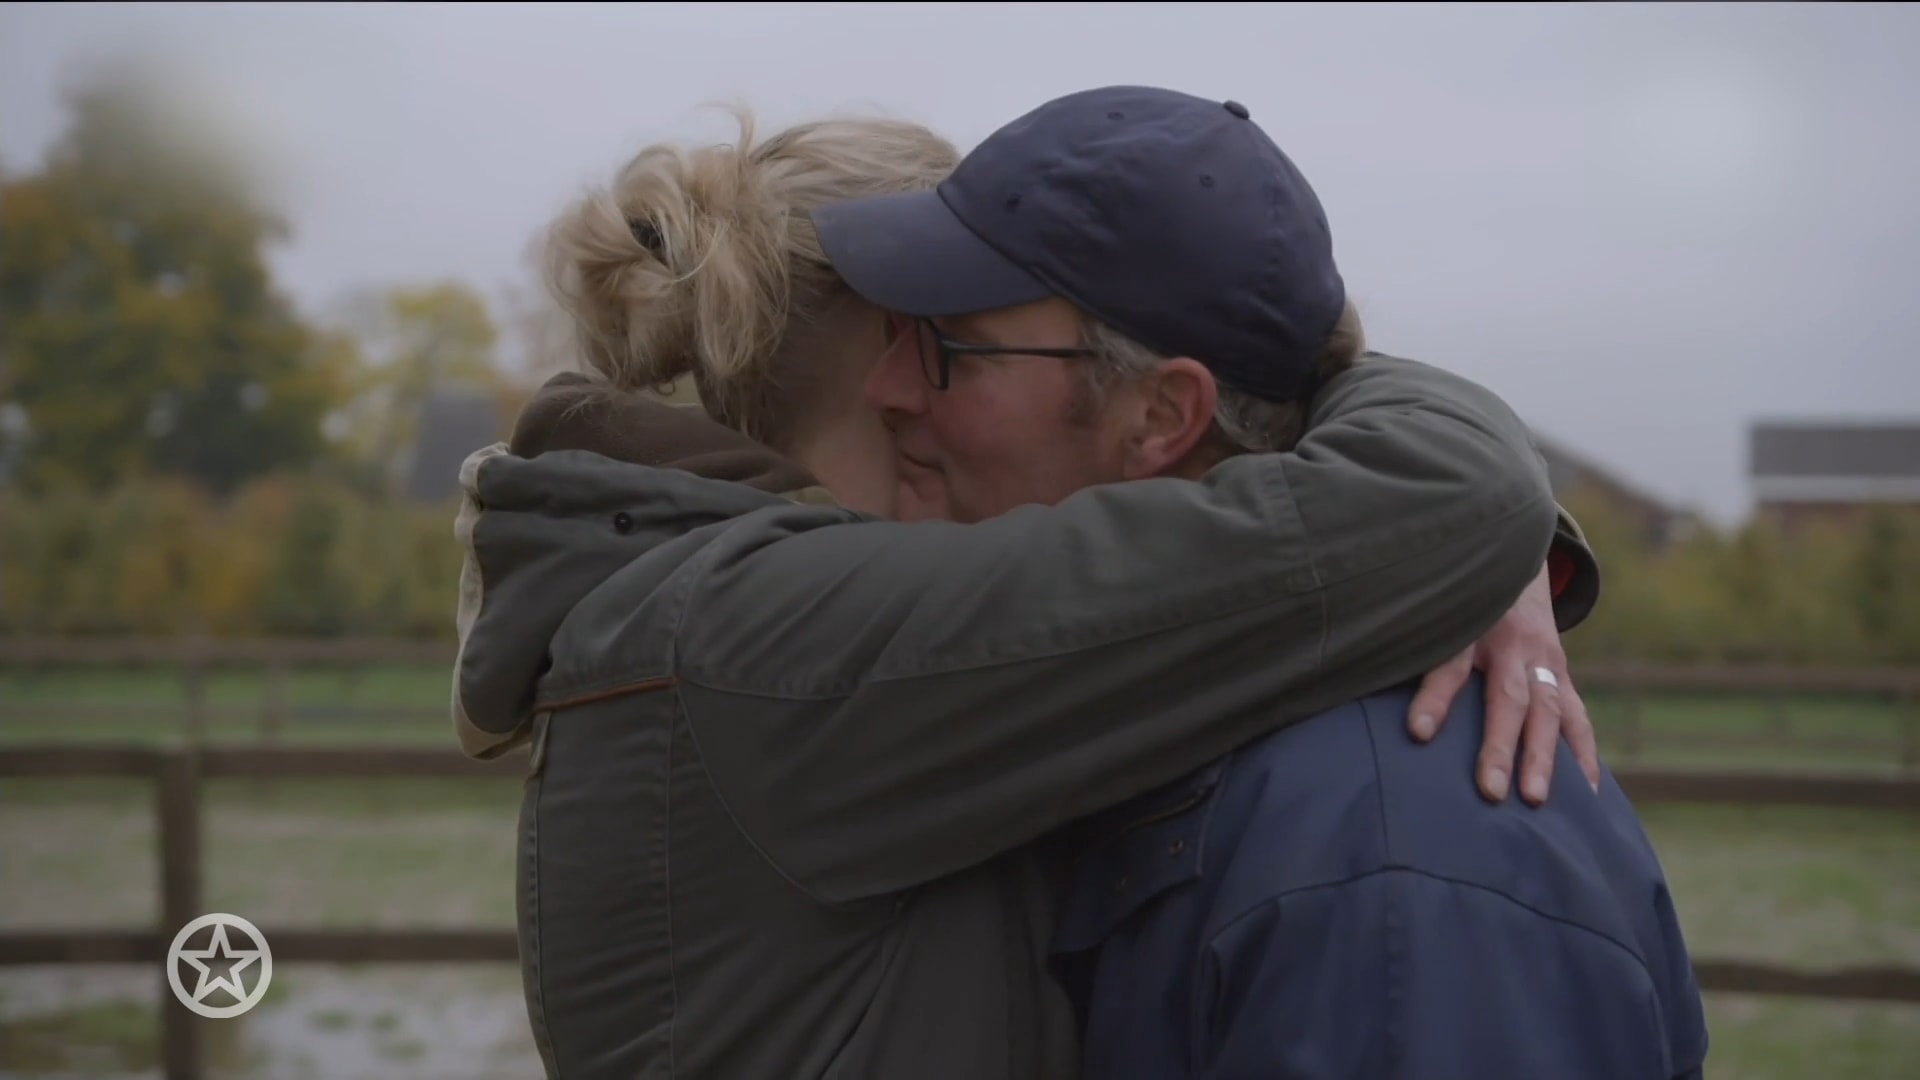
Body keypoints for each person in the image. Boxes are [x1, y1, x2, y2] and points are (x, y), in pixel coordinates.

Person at [451, 104, 1602, 1080]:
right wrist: (1441, 499)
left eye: (956, 340)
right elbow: (1439, 500)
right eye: (932, 333)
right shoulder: (782, 637)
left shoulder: (694, 594)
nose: (920, 385)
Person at [804, 85, 1709, 1079]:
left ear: (1160, 416)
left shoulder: (1388, 864)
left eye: (946, 348)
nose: (886, 389)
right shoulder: (1137, 722)